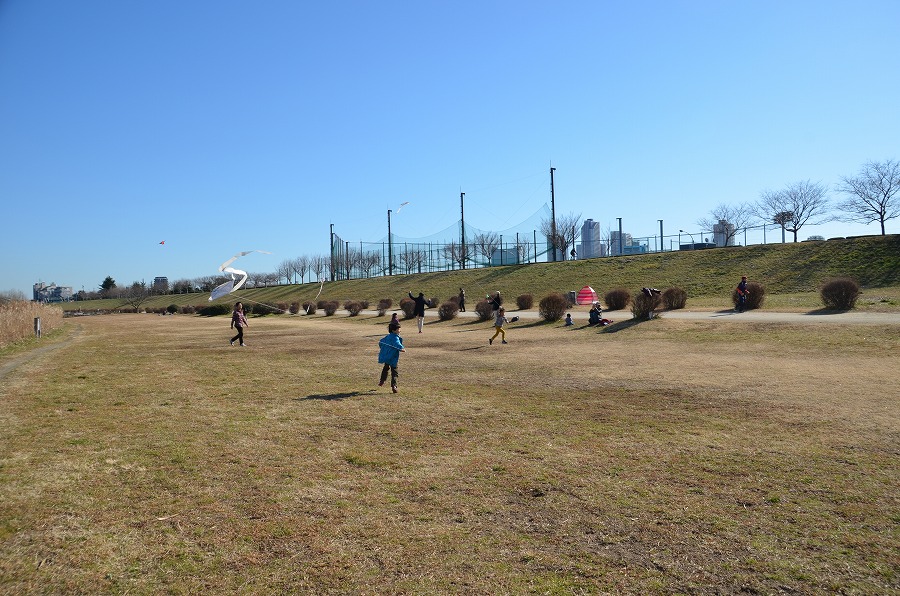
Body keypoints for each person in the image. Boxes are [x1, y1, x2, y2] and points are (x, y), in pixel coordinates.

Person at [378, 322, 405, 393]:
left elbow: (381, 342)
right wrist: (401, 348)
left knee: (385, 368)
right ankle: (394, 385)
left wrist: (383, 348)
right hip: (393, 358)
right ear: (393, 330)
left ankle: (382, 380)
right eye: (398, 329)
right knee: (394, 371)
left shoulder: (388, 336)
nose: (400, 330)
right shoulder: (395, 337)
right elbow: (397, 344)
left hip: (387, 357)